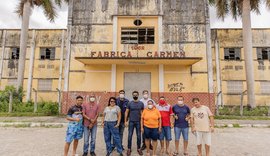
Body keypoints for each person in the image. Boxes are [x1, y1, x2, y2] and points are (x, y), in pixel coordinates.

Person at [125, 91, 144, 156]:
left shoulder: (141, 103)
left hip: (138, 122)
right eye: (134, 95)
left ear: (138, 95)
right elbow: (126, 112)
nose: (135, 96)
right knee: (130, 135)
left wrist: (142, 122)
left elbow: (142, 114)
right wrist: (125, 121)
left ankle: (139, 148)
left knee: (139, 136)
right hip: (131, 122)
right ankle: (129, 148)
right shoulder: (129, 103)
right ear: (132, 95)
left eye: (136, 95)